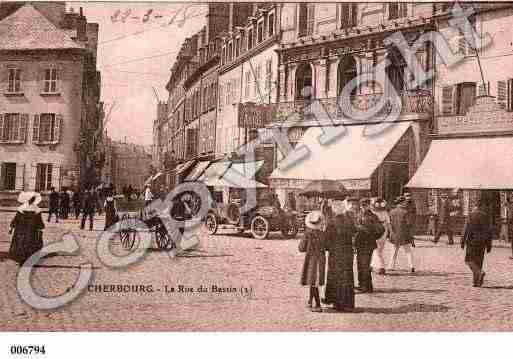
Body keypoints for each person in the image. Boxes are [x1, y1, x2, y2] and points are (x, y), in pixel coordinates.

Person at [324, 197, 358, 312]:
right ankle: (348, 303)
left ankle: (337, 302)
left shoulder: (331, 222)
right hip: (347, 252)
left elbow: (326, 240)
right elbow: (354, 232)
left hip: (336, 252)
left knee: (335, 276)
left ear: (334, 210)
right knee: (347, 276)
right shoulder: (349, 220)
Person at [354, 198, 385, 293]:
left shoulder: (373, 217)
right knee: (360, 265)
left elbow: (381, 229)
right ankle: (362, 284)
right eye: (362, 205)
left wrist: (371, 235)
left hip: (368, 244)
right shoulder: (358, 215)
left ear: (369, 206)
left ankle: (367, 286)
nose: (363, 207)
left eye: (365, 205)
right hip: (359, 243)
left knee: (365, 265)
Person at [300, 211, 327, 312]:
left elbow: (301, 248)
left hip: (311, 259)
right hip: (321, 260)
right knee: (314, 281)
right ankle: (310, 301)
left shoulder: (307, 234)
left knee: (313, 281)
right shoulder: (323, 234)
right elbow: (327, 246)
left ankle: (317, 304)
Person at [461, 200, 492, 287]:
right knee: (478, 261)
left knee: (469, 261)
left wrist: (462, 241)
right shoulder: (485, 216)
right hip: (482, 242)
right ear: (481, 206)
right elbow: (489, 231)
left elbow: (466, 229)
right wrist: (489, 245)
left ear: (475, 206)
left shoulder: (471, 215)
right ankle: (476, 282)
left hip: (472, 241)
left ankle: (479, 273)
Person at [8, 192, 45, 265]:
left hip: (26, 230)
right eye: (32, 198)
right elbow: (16, 219)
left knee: (26, 244)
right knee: (25, 244)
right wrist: (11, 227)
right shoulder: (31, 209)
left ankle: (25, 260)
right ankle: (23, 260)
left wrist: (11, 227)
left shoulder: (27, 208)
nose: (32, 200)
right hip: (27, 230)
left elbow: (38, 220)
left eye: (33, 198)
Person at [388, 196, 415, 273]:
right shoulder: (406, 212)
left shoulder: (391, 212)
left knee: (393, 251)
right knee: (408, 251)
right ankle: (411, 266)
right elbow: (409, 224)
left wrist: (391, 233)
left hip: (395, 234)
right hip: (404, 234)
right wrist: (411, 235)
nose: (406, 203)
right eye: (405, 202)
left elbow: (390, 224)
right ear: (402, 203)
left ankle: (391, 266)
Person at [371, 198, 392, 275]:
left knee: (376, 250)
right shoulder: (385, 213)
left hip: (376, 232)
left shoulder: (373, 213)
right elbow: (389, 224)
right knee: (378, 250)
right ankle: (372, 265)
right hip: (384, 232)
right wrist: (390, 232)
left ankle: (381, 266)